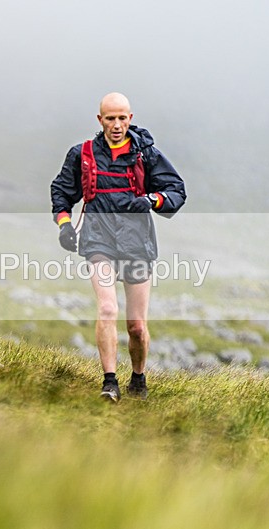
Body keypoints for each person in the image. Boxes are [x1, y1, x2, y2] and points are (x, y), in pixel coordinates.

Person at [50, 92, 186, 402]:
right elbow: (61, 191)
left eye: (122, 117)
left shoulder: (146, 155)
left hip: (137, 242)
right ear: (100, 120)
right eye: (110, 118)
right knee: (108, 308)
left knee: (136, 326)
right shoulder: (82, 154)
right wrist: (64, 224)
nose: (116, 124)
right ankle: (109, 381)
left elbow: (176, 191)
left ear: (131, 118)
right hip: (98, 239)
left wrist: (152, 199)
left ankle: (138, 377)